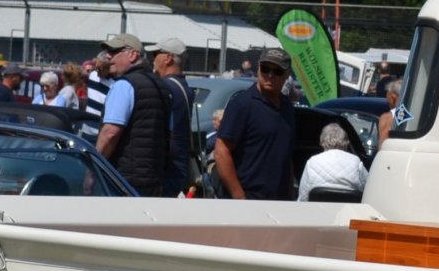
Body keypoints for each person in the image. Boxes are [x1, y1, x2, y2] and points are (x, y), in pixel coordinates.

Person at [214, 47, 296, 200]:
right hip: (250, 200)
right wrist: (239, 196)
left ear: (286, 75)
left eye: (277, 71)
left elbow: (286, 155)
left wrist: (291, 194)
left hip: (281, 203)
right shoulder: (243, 104)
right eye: (265, 69)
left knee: (354, 224)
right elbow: (221, 151)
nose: (270, 75)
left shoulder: (287, 107)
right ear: (258, 69)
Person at [96, 33, 172, 197]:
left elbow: (110, 132)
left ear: (133, 54)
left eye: (115, 51)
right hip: (155, 177)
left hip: (123, 179)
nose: (109, 56)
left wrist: (94, 166)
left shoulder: (124, 85)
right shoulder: (161, 86)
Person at [147, 36, 195, 196]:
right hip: (179, 163)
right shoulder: (183, 86)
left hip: (168, 167)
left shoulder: (166, 87)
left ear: (168, 58)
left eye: (156, 54)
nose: (153, 59)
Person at [298, 122, 367, 200]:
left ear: (322, 141)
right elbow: (369, 190)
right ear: (346, 142)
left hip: (318, 210)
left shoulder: (312, 162)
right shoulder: (356, 162)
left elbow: (303, 196)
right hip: (347, 209)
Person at [378, 78, 402, 145]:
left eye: (388, 98)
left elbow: (382, 144)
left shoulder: (387, 118)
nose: (387, 101)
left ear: (393, 97)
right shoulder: (414, 116)